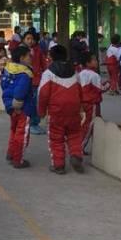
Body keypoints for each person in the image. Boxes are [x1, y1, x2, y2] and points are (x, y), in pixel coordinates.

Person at [38, 45, 84, 174]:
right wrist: (81, 108)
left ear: (51, 57)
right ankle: (76, 155)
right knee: (74, 134)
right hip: (74, 110)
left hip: (56, 111)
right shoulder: (74, 72)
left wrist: (41, 112)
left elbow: (43, 94)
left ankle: (58, 165)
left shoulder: (48, 74)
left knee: (56, 138)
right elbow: (80, 91)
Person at [1, 47, 35, 169]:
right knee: (22, 133)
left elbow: (3, 85)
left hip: (10, 106)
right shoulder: (25, 74)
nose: (31, 58)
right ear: (22, 58)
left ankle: (11, 153)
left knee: (14, 130)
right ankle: (18, 159)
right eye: (28, 56)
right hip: (22, 108)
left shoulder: (7, 69)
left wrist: (9, 103)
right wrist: (18, 104)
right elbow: (21, 91)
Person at [79, 52, 108, 154]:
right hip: (92, 103)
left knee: (86, 124)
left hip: (83, 102)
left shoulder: (80, 73)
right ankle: (79, 148)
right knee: (90, 125)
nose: (97, 61)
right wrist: (108, 85)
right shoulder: (94, 75)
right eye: (94, 60)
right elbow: (100, 88)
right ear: (88, 63)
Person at [22, 31, 47, 135]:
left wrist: (45, 74)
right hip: (25, 80)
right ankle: (29, 123)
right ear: (24, 39)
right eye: (27, 38)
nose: (30, 40)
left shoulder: (38, 50)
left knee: (37, 103)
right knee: (29, 103)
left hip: (37, 80)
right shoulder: (21, 51)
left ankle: (35, 123)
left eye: (31, 38)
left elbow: (43, 64)